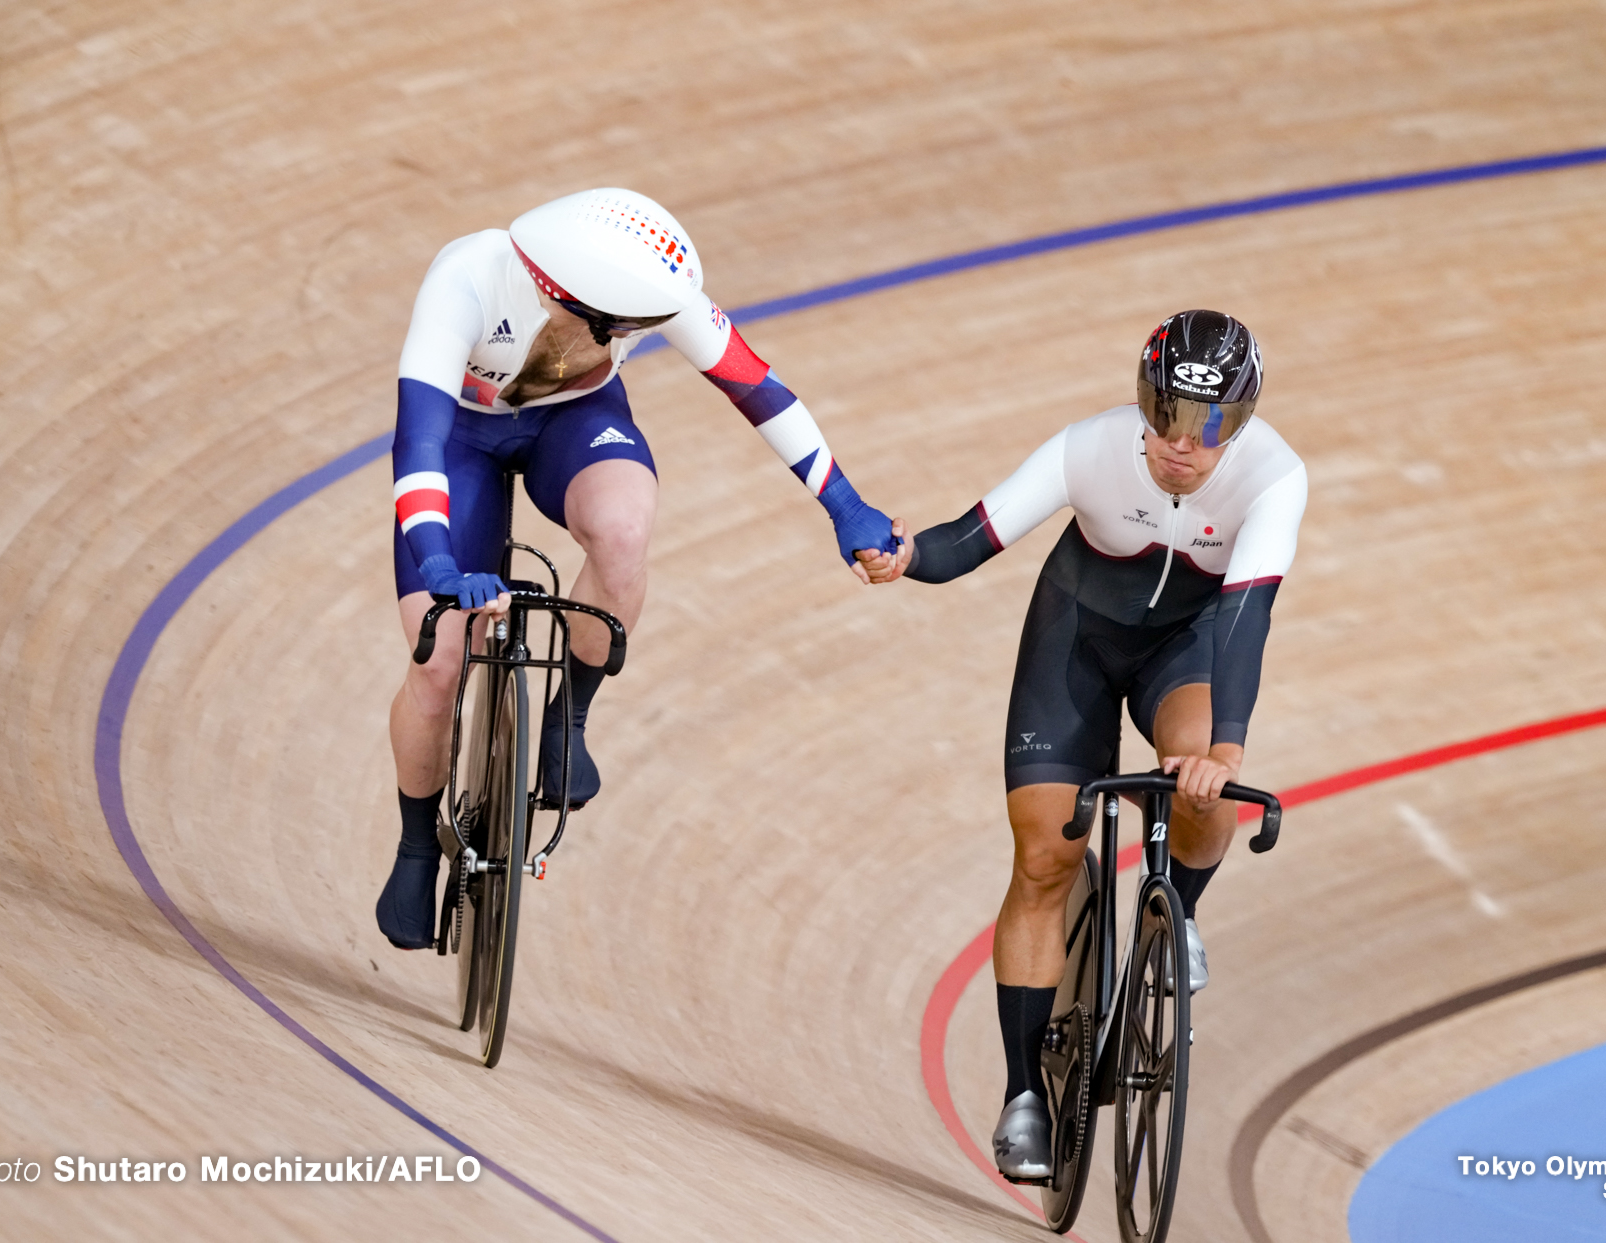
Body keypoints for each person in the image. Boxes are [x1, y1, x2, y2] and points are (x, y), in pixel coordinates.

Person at [377, 187, 896, 950]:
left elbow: (757, 386)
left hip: (573, 421)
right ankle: (417, 843)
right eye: (630, 329)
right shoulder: (465, 281)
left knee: (624, 534)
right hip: (459, 438)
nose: (644, 335)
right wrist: (440, 562)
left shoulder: (633, 285)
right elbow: (418, 443)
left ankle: (568, 719)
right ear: (572, 297)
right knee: (440, 655)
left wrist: (844, 503)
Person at [856, 310, 1306, 1181]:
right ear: (1143, 400)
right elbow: (967, 541)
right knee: (1043, 860)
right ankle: (1025, 1094)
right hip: (1076, 643)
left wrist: (1228, 751)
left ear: (1242, 419)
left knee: (1205, 800)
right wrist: (905, 553)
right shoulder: (1088, 448)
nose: (1182, 443)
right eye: (1166, 413)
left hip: (1188, 650)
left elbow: (1246, 619)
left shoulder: (1276, 476)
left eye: (1208, 425)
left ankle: (1181, 910)